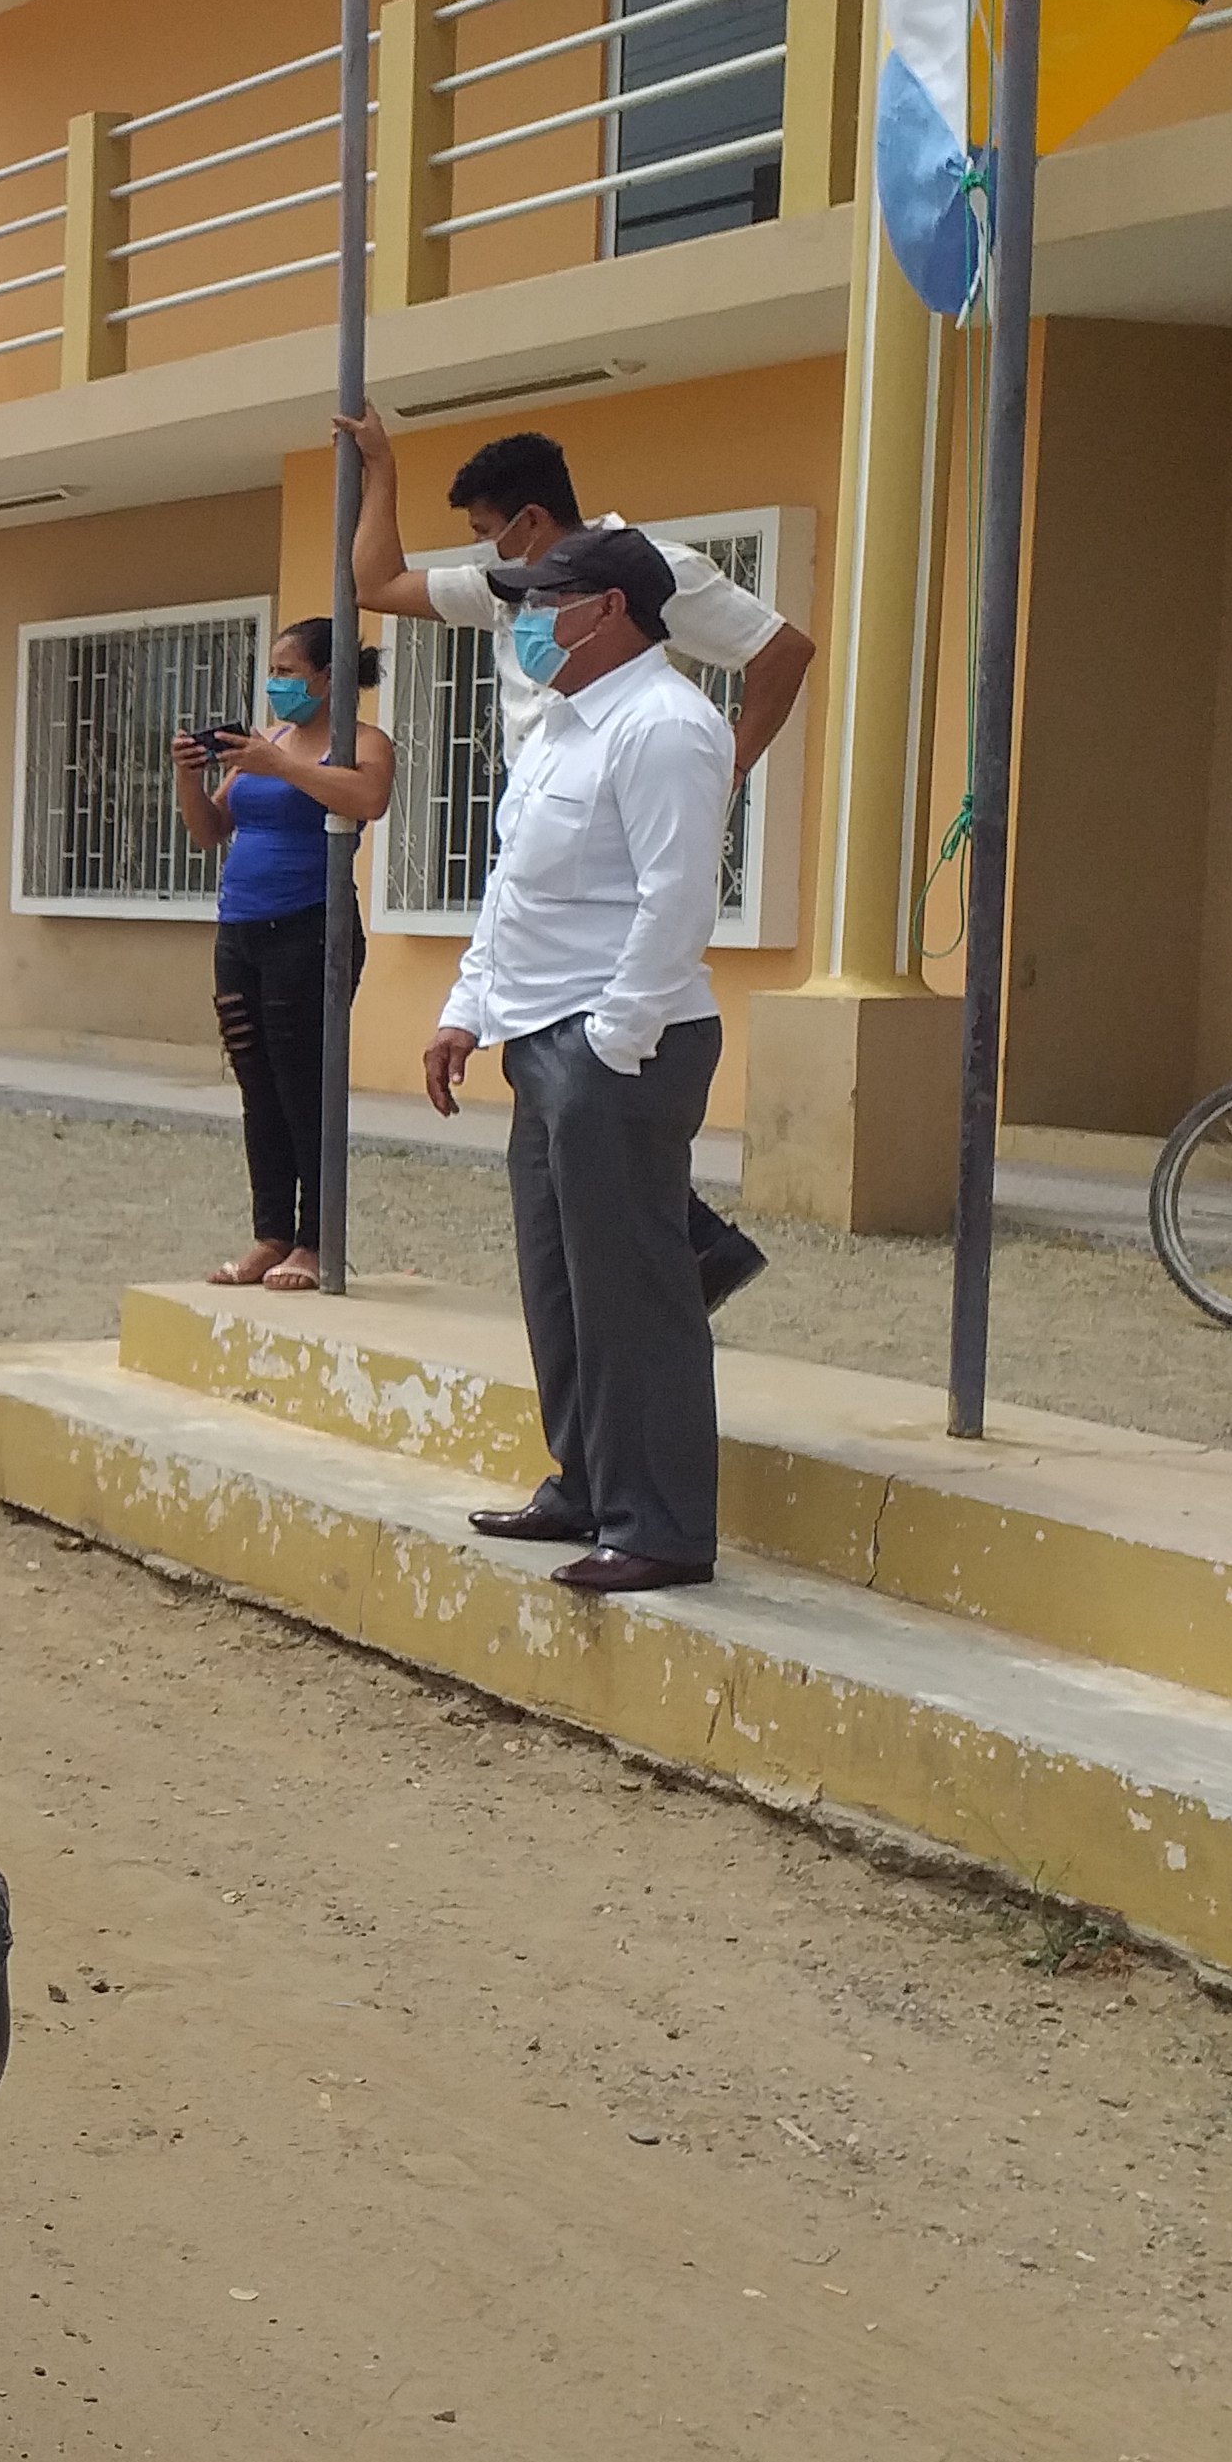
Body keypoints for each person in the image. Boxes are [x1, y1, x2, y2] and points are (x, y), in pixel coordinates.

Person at [328, 414, 811, 1311]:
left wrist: (734, 764)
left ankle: (678, 1271)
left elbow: (781, 649)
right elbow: (377, 584)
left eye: (488, 531)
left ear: (532, 521)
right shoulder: (510, 587)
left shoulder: (654, 572)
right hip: (545, 827)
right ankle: (684, 1263)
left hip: (616, 845)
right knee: (567, 1222)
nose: (491, 560)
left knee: (606, 1163)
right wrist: (381, 468)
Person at [423, 524, 735, 1595]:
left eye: (542, 602)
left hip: (621, 1041)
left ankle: (661, 1527)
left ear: (608, 610)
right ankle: (587, 1484)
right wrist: (467, 1010)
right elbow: (513, 887)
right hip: (541, 1033)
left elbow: (677, 899)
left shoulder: (666, 726)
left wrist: (612, 1040)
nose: (524, 621)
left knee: (632, 1291)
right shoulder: (561, 726)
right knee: (560, 1283)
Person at [170, 618, 396, 1291]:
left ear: (327, 678)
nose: (276, 684)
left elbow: (368, 799)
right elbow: (210, 830)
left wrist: (284, 768)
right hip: (240, 931)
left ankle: (316, 1241)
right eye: (272, 671)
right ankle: (270, 1234)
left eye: (289, 672)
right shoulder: (263, 744)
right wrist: (188, 777)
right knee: (257, 1084)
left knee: (305, 1085)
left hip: (311, 929)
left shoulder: (363, 743)